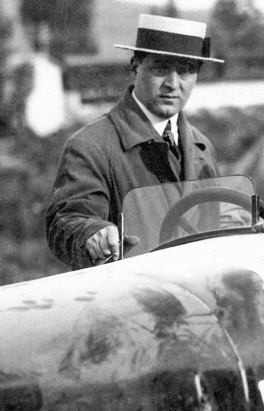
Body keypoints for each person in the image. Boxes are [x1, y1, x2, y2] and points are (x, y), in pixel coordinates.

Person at [46, 14, 224, 269]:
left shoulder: (201, 146)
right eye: (160, 68)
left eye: (185, 71)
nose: (172, 84)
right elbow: (66, 220)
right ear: (135, 67)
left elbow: (219, 220)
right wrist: (92, 234)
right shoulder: (90, 146)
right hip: (125, 299)